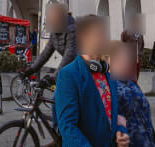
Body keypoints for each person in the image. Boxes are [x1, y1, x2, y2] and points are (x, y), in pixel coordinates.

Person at [54, 14, 128, 147]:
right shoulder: (68, 75)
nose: (106, 38)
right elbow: (68, 127)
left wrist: (121, 132)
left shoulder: (108, 71)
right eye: (99, 34)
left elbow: (117, 112)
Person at [112, 39, 155, 147]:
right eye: (122, 59)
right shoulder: (110, 89)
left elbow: (147, 123)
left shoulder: (132, 84)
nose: (127, 63)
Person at [27, 2, 78, 79]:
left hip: (86, 67)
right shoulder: (55, 32)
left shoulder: (72, 29)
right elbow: (45, 54)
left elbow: (69, 56)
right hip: (73, 67)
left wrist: (54, 77)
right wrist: (31, 70)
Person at [119, 14, 145, 81]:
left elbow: (142, 45)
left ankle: (135, 89)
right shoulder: (125, 32)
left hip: (138, 59)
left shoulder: (140, 34)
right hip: (129, 59)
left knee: (136, 76)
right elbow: (122, 44)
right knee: (129, 76)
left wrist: (141, 55)